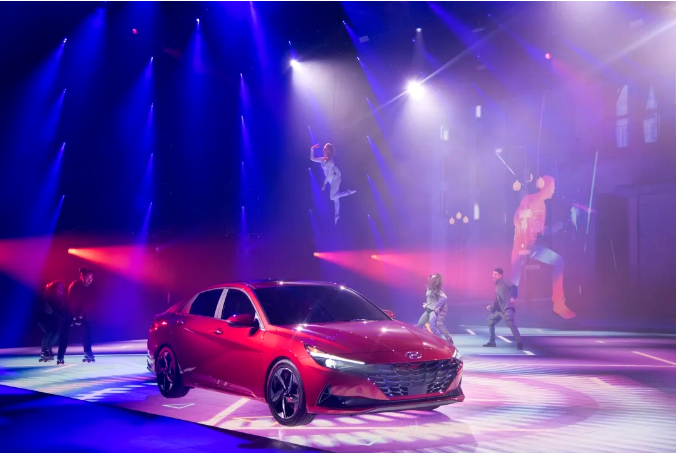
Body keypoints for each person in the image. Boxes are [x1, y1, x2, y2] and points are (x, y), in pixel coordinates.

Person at [511, 175, 575, 319]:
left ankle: (558, 304)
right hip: (520, 247)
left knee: (558, 261)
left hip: (532, 248)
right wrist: (524, 226)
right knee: (515, 279)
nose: (554, 190)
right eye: (552, 187)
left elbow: (538, 229)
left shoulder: (541, 205)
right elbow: (518, 219)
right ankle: (506, 306)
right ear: (545, 187)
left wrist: (553, 229)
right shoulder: (530, 200)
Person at [310, 143, 356, 225]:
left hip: (335, 177)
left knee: (332, 197)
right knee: (335, 198)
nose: (323, 149)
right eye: (324, 148)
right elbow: (312, 158)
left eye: (325, 148)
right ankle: (336, 215)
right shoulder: (323, 159)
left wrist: (324, 183)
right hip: (331, 179)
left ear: (329, 151)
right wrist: (312, 149)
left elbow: (328, 174)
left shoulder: (330, 162)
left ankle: (348, 192)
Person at [57, 268, 95, 364]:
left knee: (87, 331)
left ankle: (88, 352)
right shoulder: (74, 286)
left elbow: (88, 304)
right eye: (87, 277)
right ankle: (60, 356)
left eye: (91, 278)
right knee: (65, 333)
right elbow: (71, 302)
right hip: (71, 310)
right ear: (82, 277)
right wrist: (74, 317)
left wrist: (81, 316)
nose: (90, 280)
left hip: (83, 312)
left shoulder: (91, 288)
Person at [484, 268, 523, 350]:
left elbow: (514, 287)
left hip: (506, 309)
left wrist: (513, 297)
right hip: (499, 311)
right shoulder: (497, 285)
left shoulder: (505, 282)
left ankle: (519, 342)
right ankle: (492, 342)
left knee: (511, 325)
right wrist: (492, 307)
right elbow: (497, 299)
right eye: (493, 274)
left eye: (495, 274)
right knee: (490, 321)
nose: (493, 276)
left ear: (500, 275)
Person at [416, 274, 452, 342]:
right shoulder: (429, 288)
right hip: (427, 309)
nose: (430, 279)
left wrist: (436, 305)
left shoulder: (437, 290)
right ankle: (422, 340)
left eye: (433, 278)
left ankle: (441, 340)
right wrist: (426, 304)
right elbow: (429, 298)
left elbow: (444, 297)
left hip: (433, 310)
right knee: (419, 325)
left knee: (432, 327)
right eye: (431, 277)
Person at [37, 281, 66, 362]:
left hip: (53, 318)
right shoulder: (48, 296)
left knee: (56, 333)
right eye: (59, 287)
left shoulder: (60, 298)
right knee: (49, 332)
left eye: (62, 287)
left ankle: (48, 349)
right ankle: (44, 351)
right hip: (43, 318)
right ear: (54, 288)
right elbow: (48, 309)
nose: (61, 289)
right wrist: (59, 317)